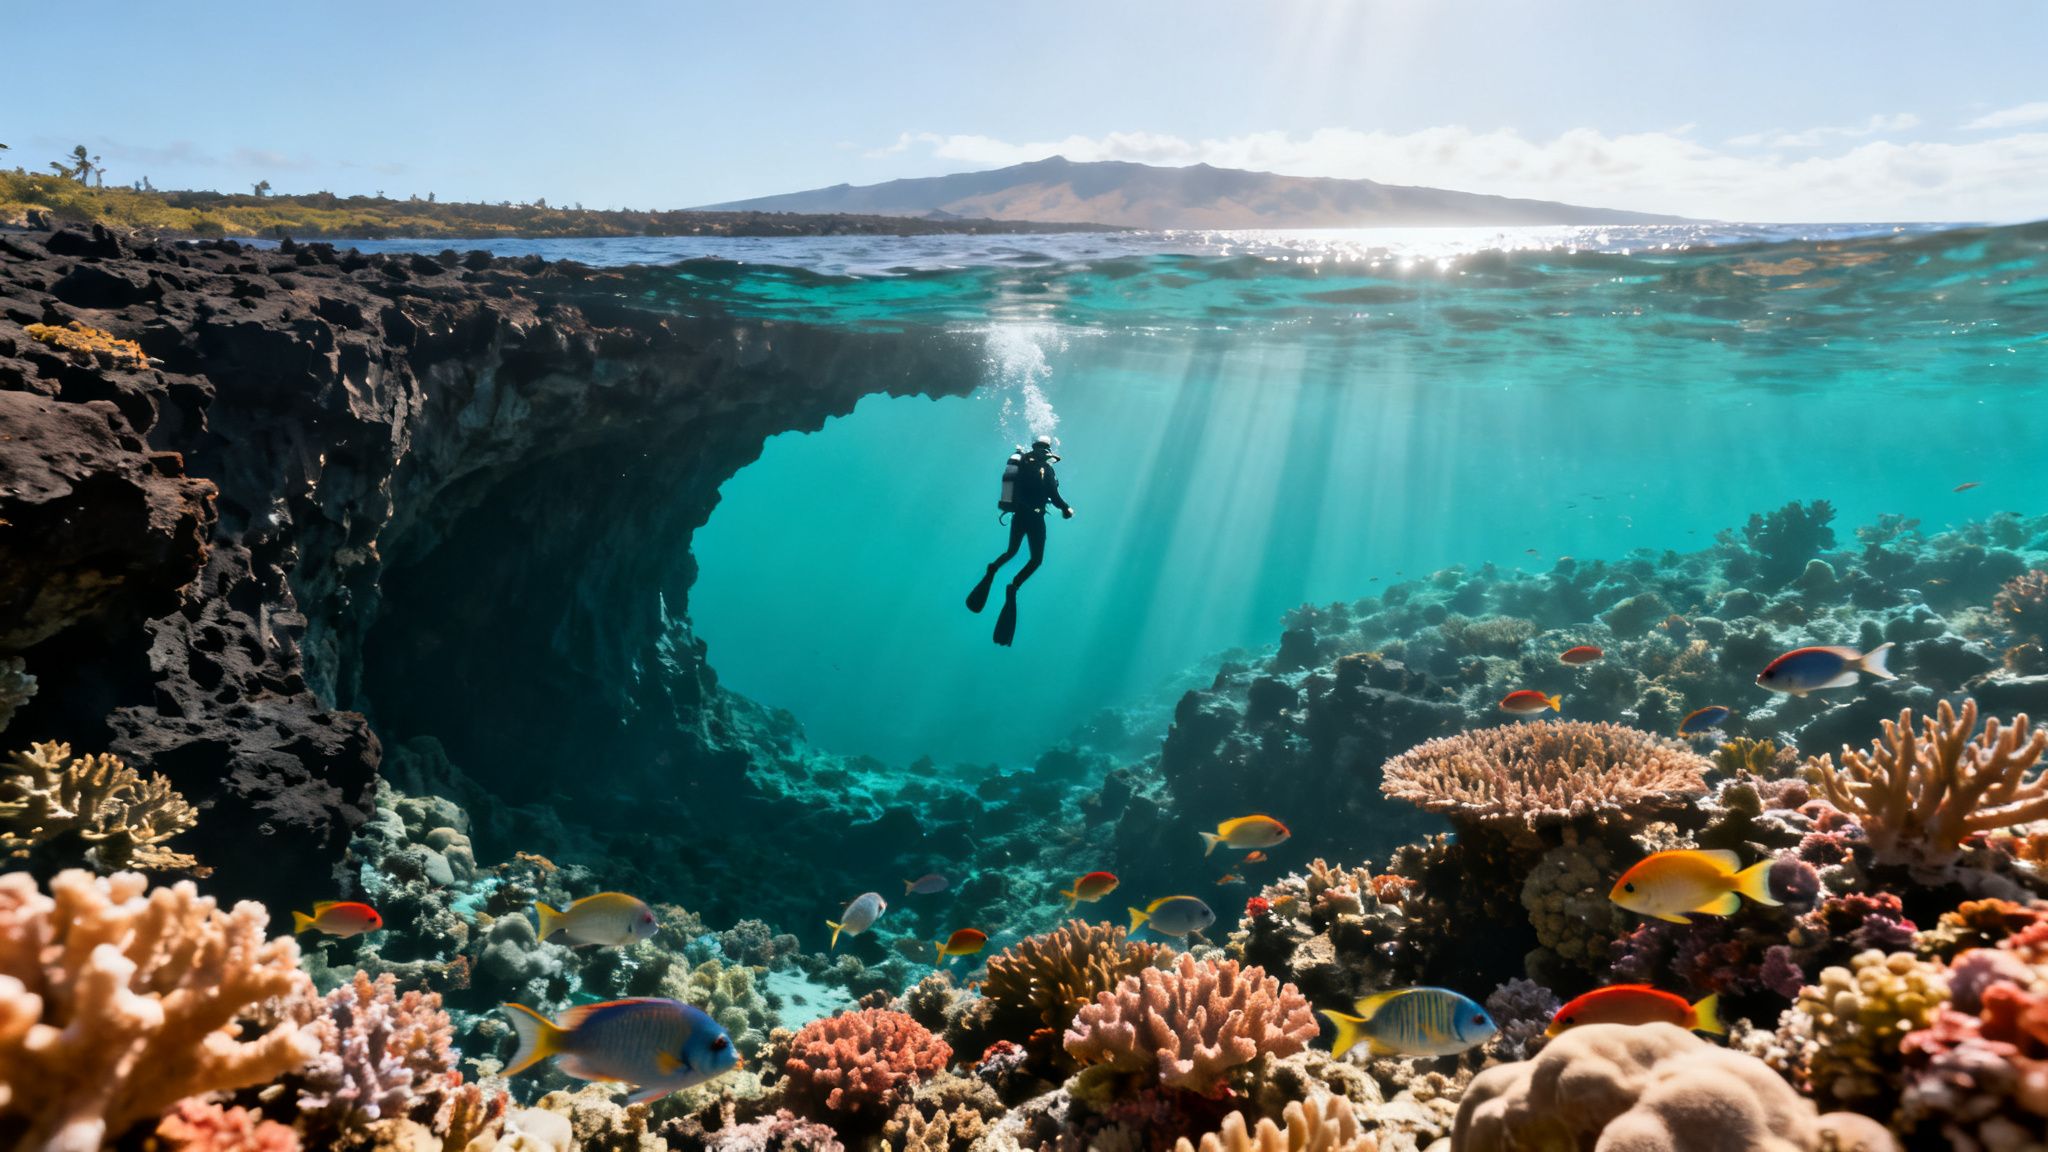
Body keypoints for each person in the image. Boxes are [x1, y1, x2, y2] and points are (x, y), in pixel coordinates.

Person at [966, 435, 1074, 646]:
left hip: (1019, 516)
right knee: (1036, 560)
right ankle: (1014, 586)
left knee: (1012, 552)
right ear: (1047, 451)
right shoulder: (1046, 469)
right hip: (1035, 518)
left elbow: (1020, 490)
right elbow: (1053, 493)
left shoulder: (1022, 463)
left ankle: (992, 569)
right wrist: (1066, 508)